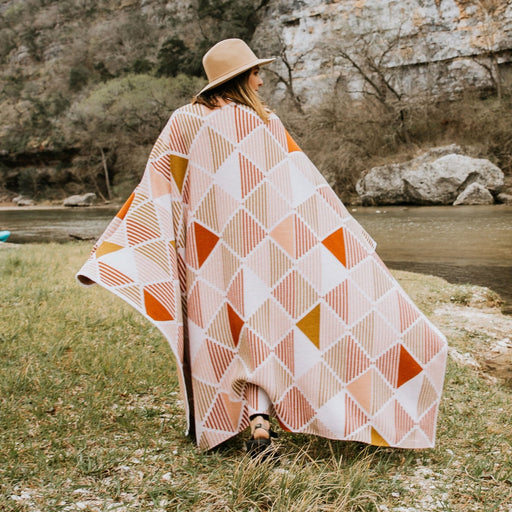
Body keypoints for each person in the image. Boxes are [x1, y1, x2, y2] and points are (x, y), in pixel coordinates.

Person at [77, 39, 447, 456]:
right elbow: (305, 187)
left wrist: (115, 251)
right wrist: (343, 234)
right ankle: (260, 421)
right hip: (270, 252)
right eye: (255, 73)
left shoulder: (184, 121)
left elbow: (156, 188)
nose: (261, 80)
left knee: (228, 334)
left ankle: (248, 423)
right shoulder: (264, 121)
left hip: (211, 257)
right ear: (239, 78)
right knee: (267, 332)